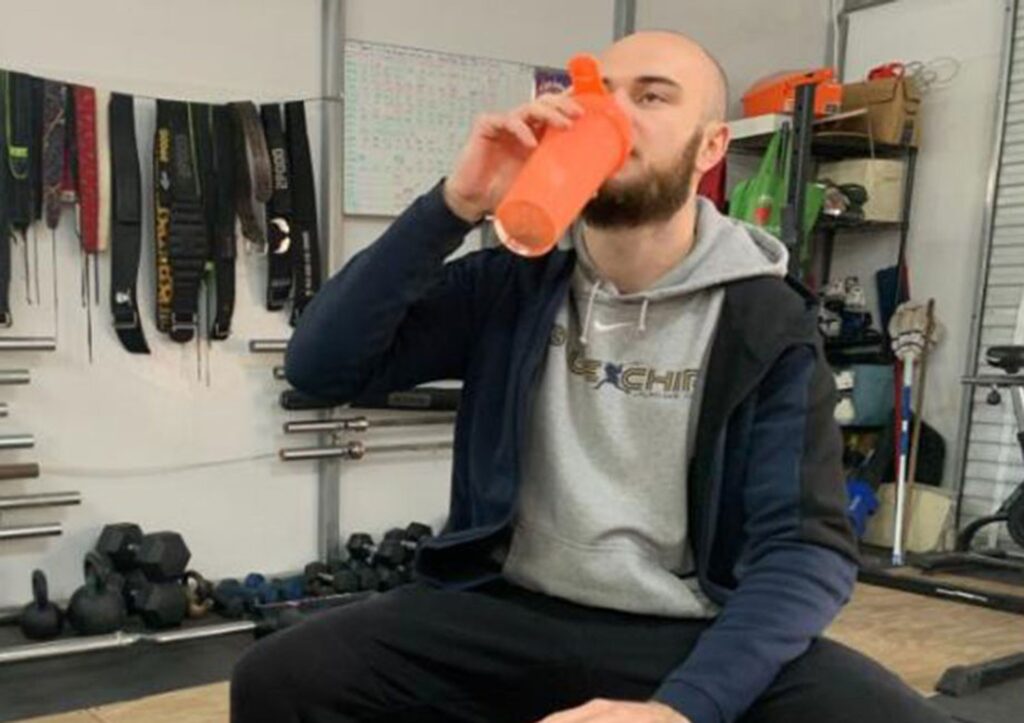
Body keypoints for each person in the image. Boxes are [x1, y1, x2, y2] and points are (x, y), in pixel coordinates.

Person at [231, 30, 951, 723]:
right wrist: (454, 204)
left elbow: (804, 552)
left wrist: (682, 706)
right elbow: (322, 365)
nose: (611, 112)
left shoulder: (765, 320)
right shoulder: (513, 282)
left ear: (711, 145)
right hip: (505, 605)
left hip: (684, 625)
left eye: (652, 96)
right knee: (280, 680)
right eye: (598, 92)